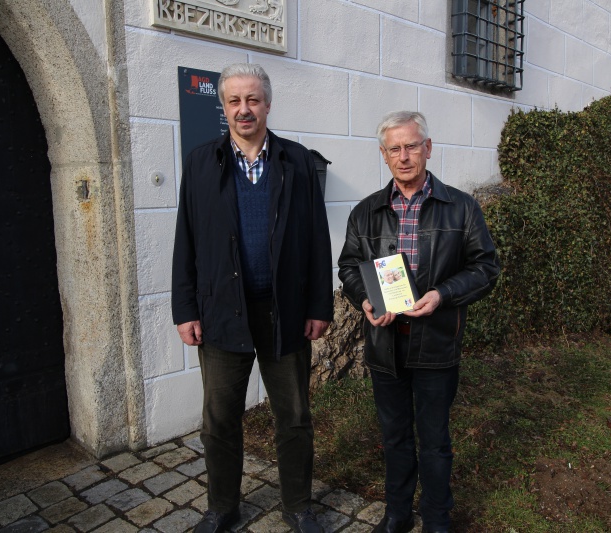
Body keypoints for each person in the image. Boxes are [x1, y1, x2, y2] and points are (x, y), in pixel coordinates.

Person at [172, 63, 333, 533]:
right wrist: (186, 309)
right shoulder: (202, 161)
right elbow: (187, 237)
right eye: (234, 101)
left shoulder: (298, 161)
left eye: (253, 100)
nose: (244, 109)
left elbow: (317, 238)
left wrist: (319, 305)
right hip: (223, 311)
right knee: (219, 419)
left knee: (295, 416)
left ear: (267, 103)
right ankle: (223, 506)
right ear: (223, 107)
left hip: (285, 312)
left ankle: (298, 505)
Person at [338, 111, 499, 533]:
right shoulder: (366, 211)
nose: (404, 156)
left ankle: (436, 516)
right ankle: (397, 512)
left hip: (436, 341)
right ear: (384, 155)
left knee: (434, 440)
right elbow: (350, 266)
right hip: (385, 344)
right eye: (395, 148)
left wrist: (442, 295)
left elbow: (486, 268)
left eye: (412, 146)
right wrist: (365, 300)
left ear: (428, 148)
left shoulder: (460, 207)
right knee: (394, 437)